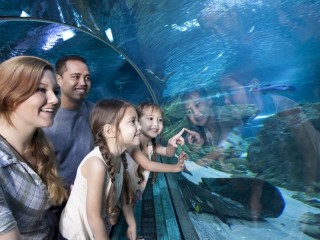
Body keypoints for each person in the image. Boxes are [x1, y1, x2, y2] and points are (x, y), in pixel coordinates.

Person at [0, 56, 67, 239]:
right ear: (10, 95)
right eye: (41, 90)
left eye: (55, 91)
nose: (54, 99)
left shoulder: (40, 144)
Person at [59, 99, 141, 240]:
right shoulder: (97, 164)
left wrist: (132, 224)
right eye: (133, 121)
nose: (139, 127)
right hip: (76, 235)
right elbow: (93, 217)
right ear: (110, 130)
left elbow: (124, 196)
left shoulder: (120, 158)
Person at [44, 55, 95, 189]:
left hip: (93, 190)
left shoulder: (96, 112)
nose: (83, 83)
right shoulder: (44, 119)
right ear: (58, 80)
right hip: (58, 200)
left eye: (87, 78)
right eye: (75, 77)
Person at [126, 102, 187, 203]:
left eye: (160, 120)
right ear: (138, 121)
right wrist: (175, 168)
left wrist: (171, 144)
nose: (156, 124)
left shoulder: (151, 144)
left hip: (133, 195)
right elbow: (147, 165)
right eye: (150, 118)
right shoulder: (132, 145)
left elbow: (168, 153)